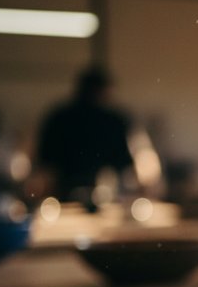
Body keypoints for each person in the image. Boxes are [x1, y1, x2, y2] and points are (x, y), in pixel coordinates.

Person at [36, 66, 134, 207]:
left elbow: (45, 161)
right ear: (104, 90)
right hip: (104, 195)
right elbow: (123, 163)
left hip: (63, 196)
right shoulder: (114, 120)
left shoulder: (59, 117)